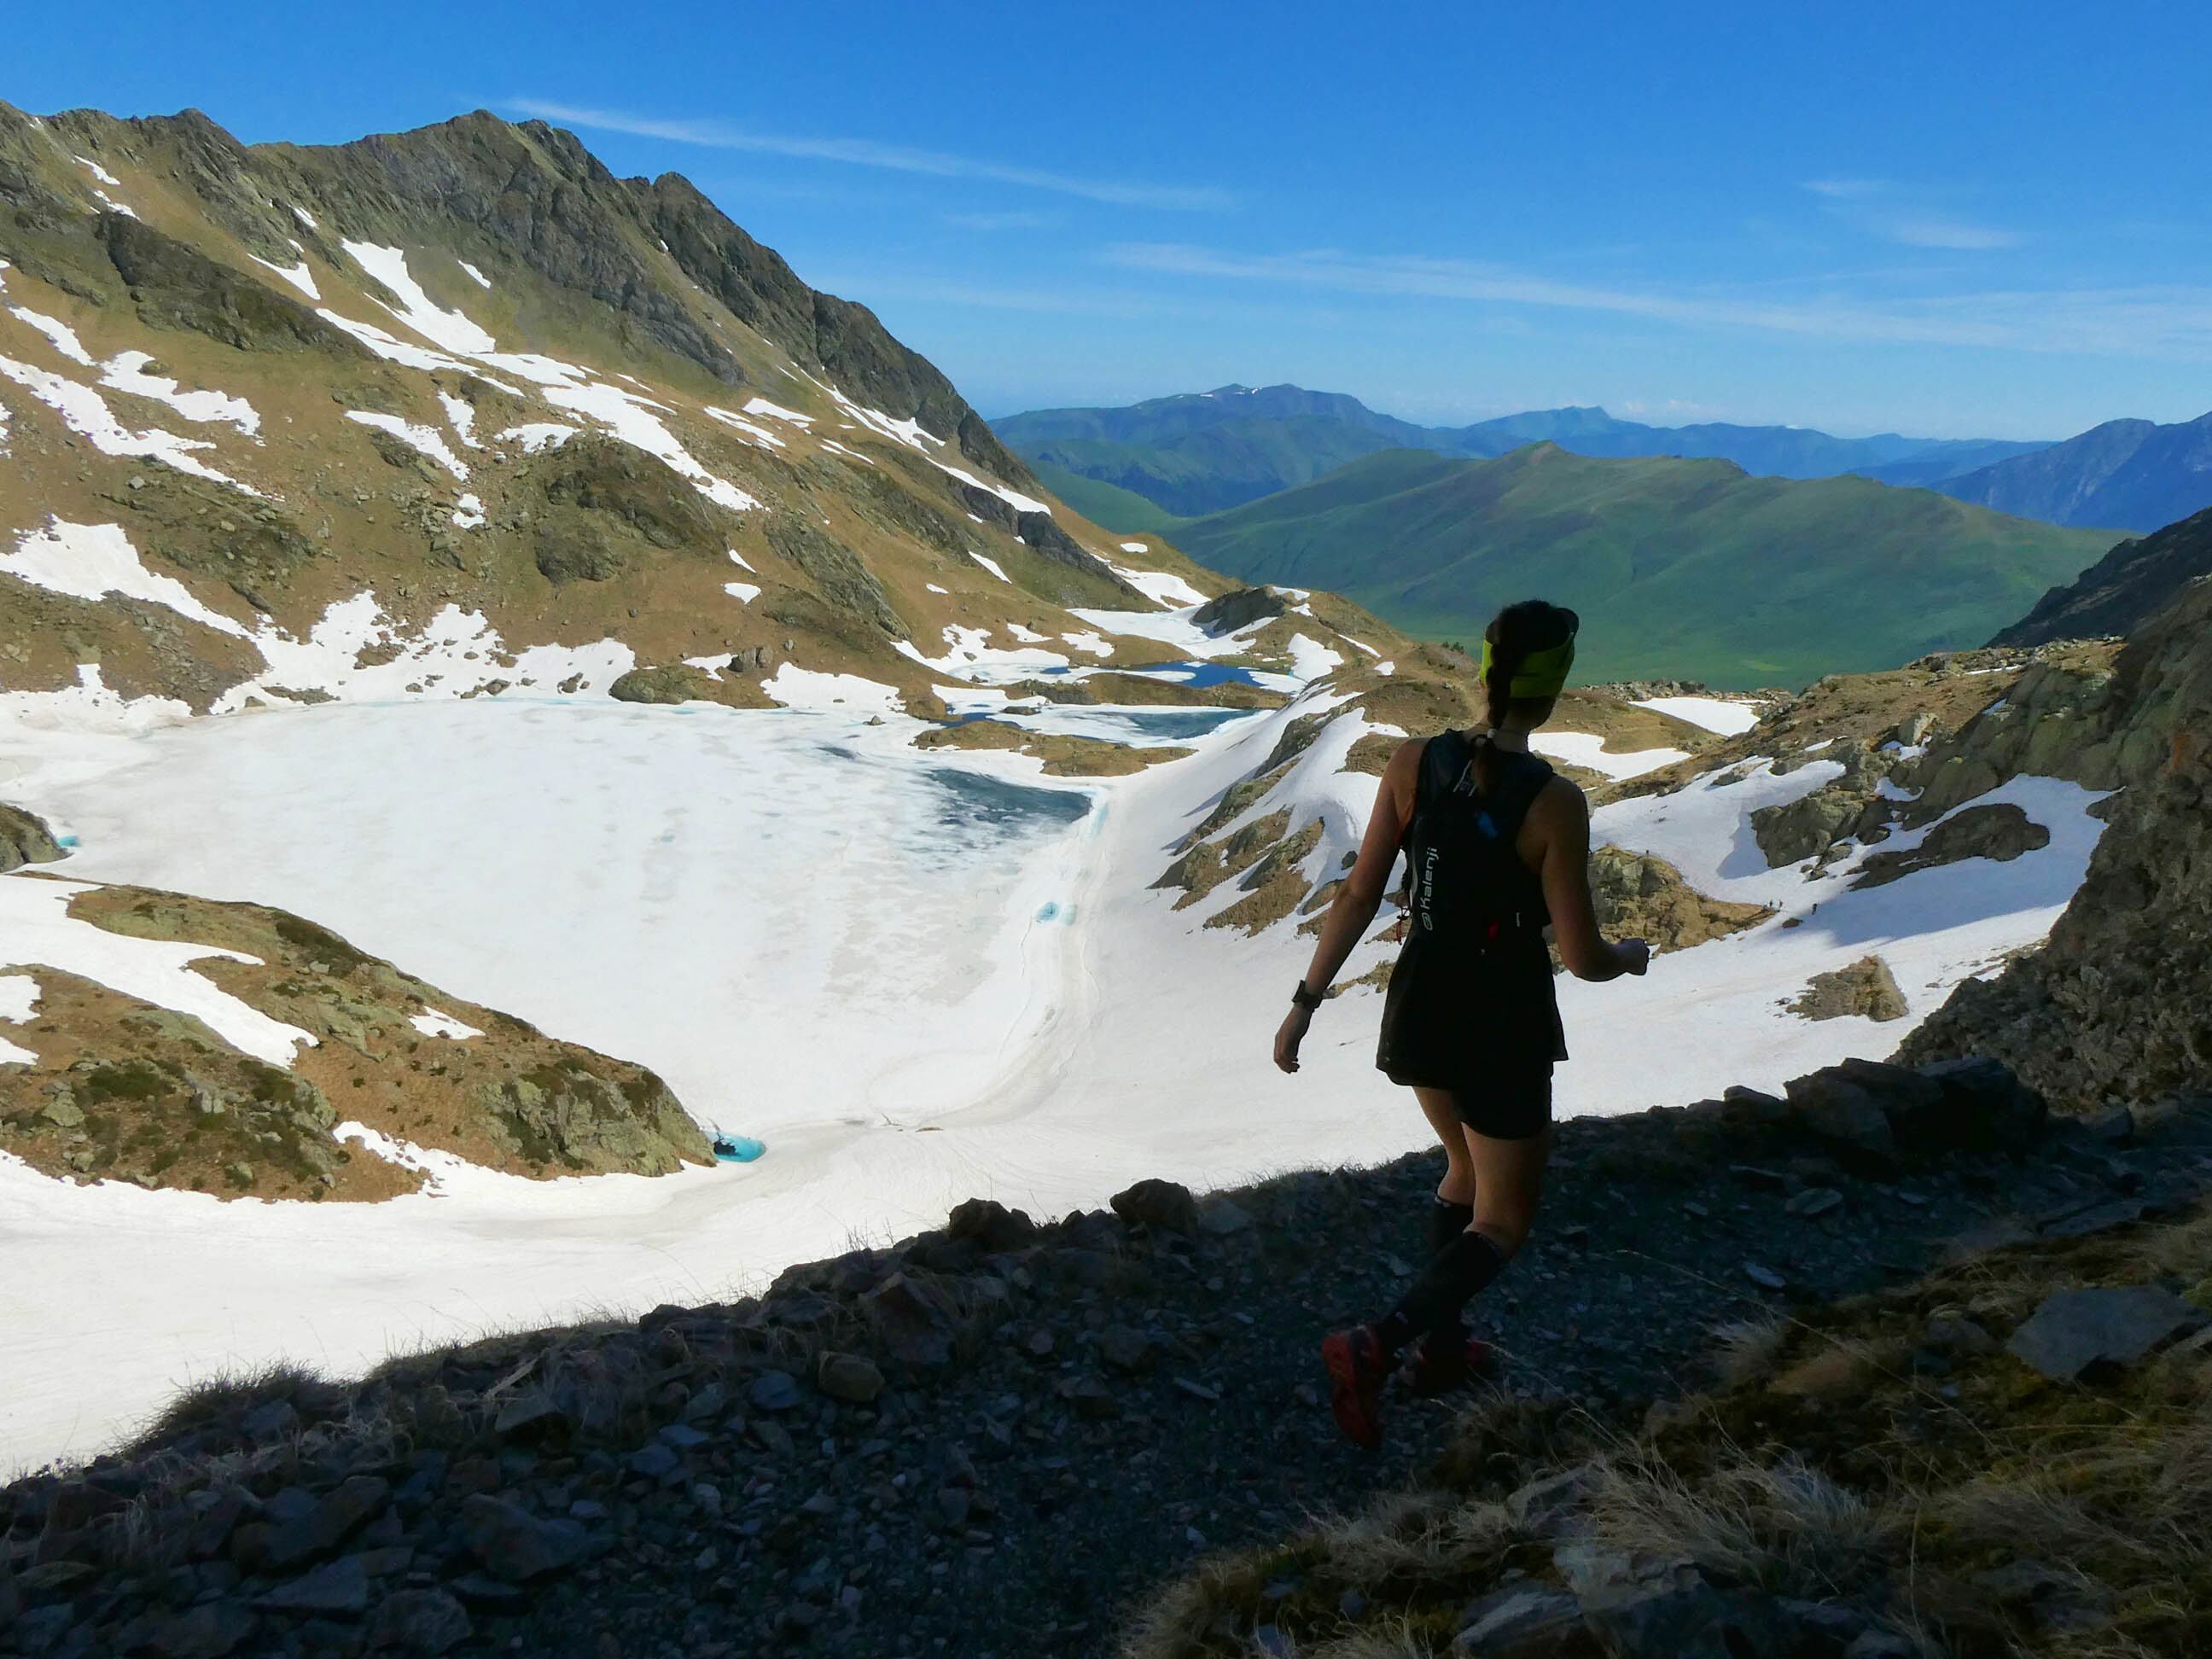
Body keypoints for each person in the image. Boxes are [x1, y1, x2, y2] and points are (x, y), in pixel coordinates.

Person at [1272, 599, 1650, 1449]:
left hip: (1419, 1006)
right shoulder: (1554, 803)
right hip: (1502, 1017)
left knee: (1460, 1166)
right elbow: (1582, 956)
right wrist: (1629, 954)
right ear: (1551, 695)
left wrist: (1304, 1005)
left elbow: (1361, 892)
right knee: (1503, 1220)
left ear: (1485, 675)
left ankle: (1440, 1351)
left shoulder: (1413, 762)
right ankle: (1377, 1344)